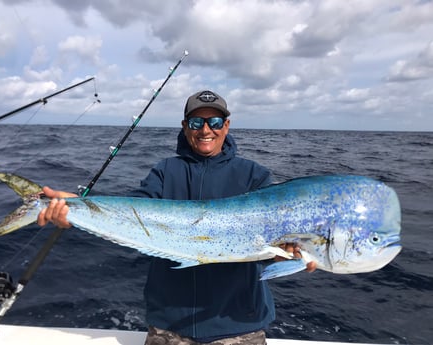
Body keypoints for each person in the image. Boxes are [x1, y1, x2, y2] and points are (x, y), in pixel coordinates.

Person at [38, 90, 316, 345]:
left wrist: (287, 255)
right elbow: (135, 209)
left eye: (215, 122)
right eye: (196, 122)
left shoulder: (255, 176)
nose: (206, 130)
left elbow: (271, 243)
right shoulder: (165, 171)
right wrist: (77, 209)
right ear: (185, 127)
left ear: (227, 126)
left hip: (239, 325)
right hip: (170, 326)